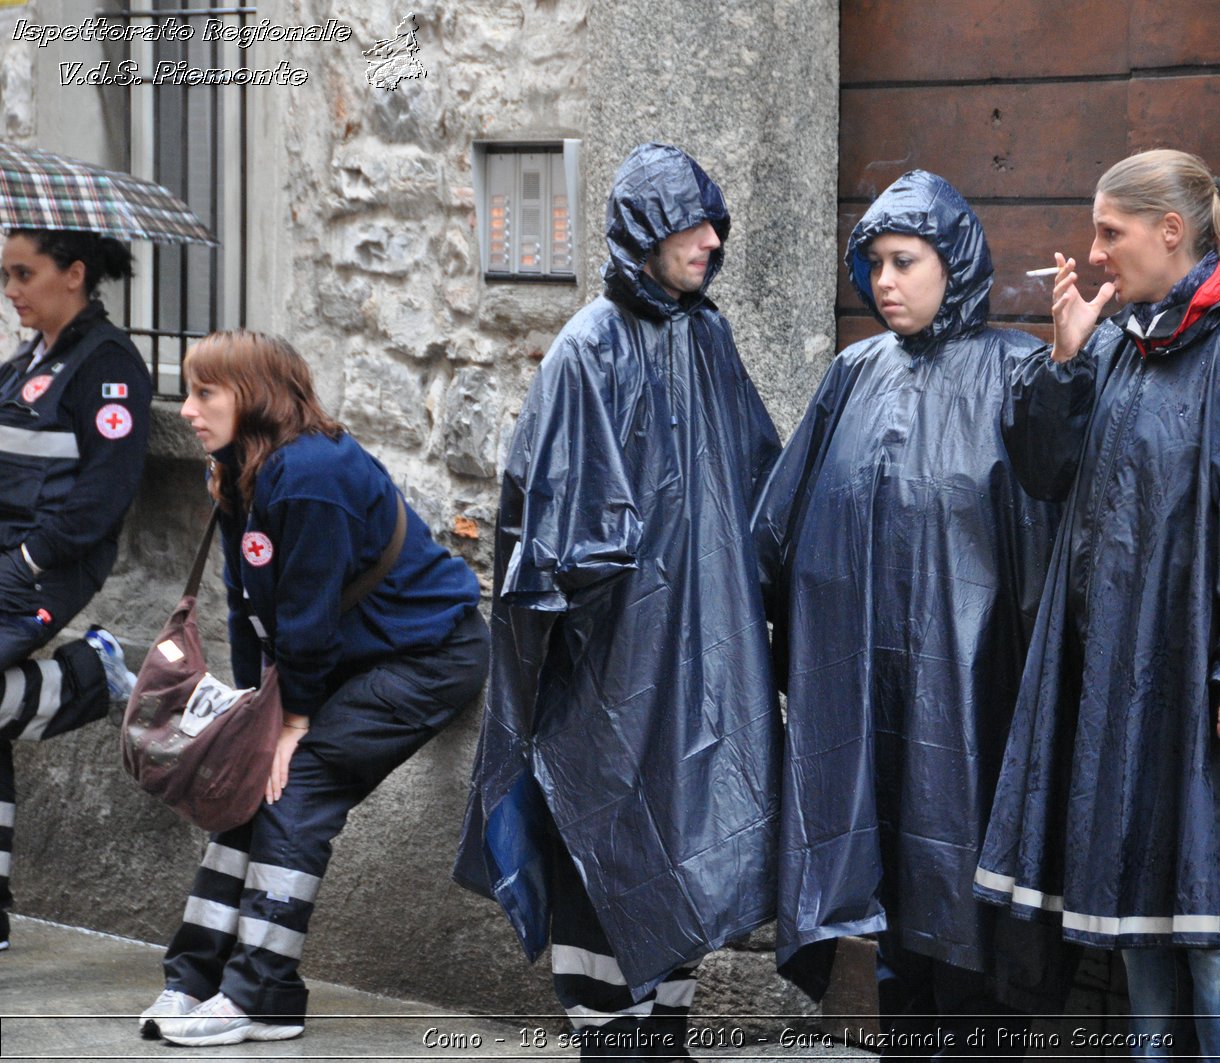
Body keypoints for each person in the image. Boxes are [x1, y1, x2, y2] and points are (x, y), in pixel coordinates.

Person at [974, 149, 1220, 1061]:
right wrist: (1063, 363)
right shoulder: (1116, 341)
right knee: (1137, 910)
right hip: (1122, 673)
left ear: (1170, 231)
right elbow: (1046, 474)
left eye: (1112, 232)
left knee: (1215, 917)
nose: (1097, 252)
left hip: (1206, 675)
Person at [455, 143, 782, 1061]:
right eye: (695, 224)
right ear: (646, 230)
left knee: (677, 851)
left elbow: (759, 485)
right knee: (602, 852)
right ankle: (614, 1043)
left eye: (716, 224)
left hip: (691, 660)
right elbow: (551, 547)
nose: (713, 241)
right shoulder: (585, 352)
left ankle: (661, 1040)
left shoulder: (705, 339)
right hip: (602, 672)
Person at [752, 170, 1070, 1057]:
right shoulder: (853, 375)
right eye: (875, 263)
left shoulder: (1014, 370)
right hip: (863, 692)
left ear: (952, 262)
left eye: (906, 260)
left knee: (968, 896)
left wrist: (1069, 367)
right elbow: (781, 528)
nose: (886, 281)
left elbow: (1055, 494)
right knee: (886, 891)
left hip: (973, 694)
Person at [143, 331, 488, 1047]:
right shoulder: (243, 468)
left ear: (256, 397)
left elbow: (302, 617)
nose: (186, 410)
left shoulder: (308, 475)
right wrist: (253, 711)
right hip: (342, 661)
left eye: (205, 393)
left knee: (294, 791)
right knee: (244, 786)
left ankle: (260, 995)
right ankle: (193, 980)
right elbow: (248, 609)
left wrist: (292, 722)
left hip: (428, 656)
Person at [0, 228, 147, 955]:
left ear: (74, 273)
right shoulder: (22, 363)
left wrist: (29, 557)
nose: (11, 290)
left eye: (24, 273)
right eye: (6, 274)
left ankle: (90, 673)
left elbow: (104, 493)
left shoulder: (109, 364)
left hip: (41, 567)